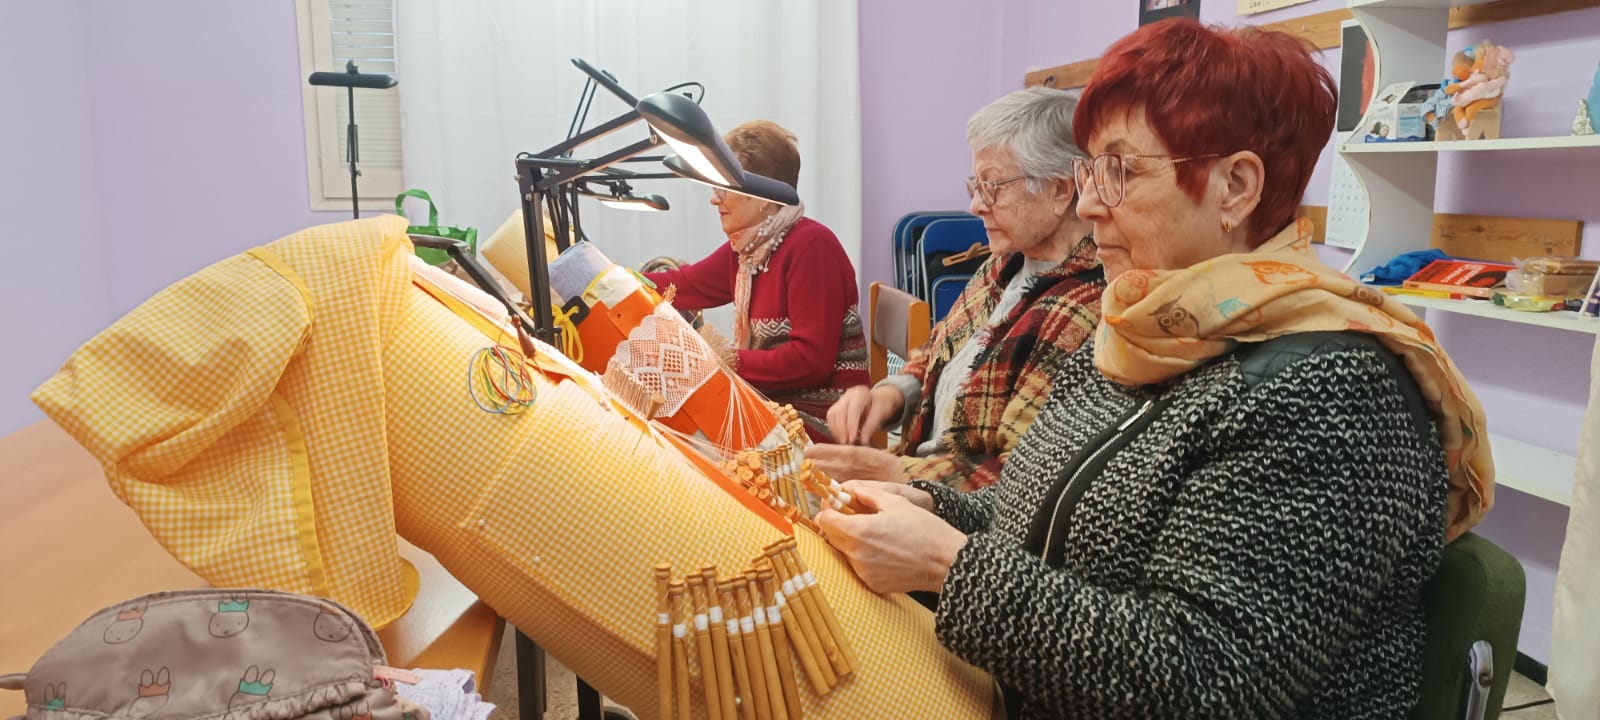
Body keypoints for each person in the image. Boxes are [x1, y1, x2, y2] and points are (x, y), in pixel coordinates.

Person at [816, 19, 1495, 718]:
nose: (1086, 203)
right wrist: (933, 507)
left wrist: (944, 564)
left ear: (1234, 187)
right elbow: (1043, 509)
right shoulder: (1144, 326)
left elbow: (1204, 680)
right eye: (1088, 170)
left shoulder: (1333, 396)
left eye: (1120, 170)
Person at [807, 87, 1104, 491]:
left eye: (993, 186)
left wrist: (889, 473)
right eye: (975, 186)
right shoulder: (1003, 264)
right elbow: (937, 353)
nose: (975, 206)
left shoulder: (1086, 310)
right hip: (915, 484)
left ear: (1060, 189)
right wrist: (888, 396)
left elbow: (1015, 483)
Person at [642, 120, 867, 439]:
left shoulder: (813, 247)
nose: (714, 199)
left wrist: (729, 360)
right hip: (778, 402)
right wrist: (612, 278)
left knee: (683, 437)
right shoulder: (749, 249)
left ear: (762, 196)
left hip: (821, 418)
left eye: (724, 188)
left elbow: (810, 361)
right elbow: (686, 284)